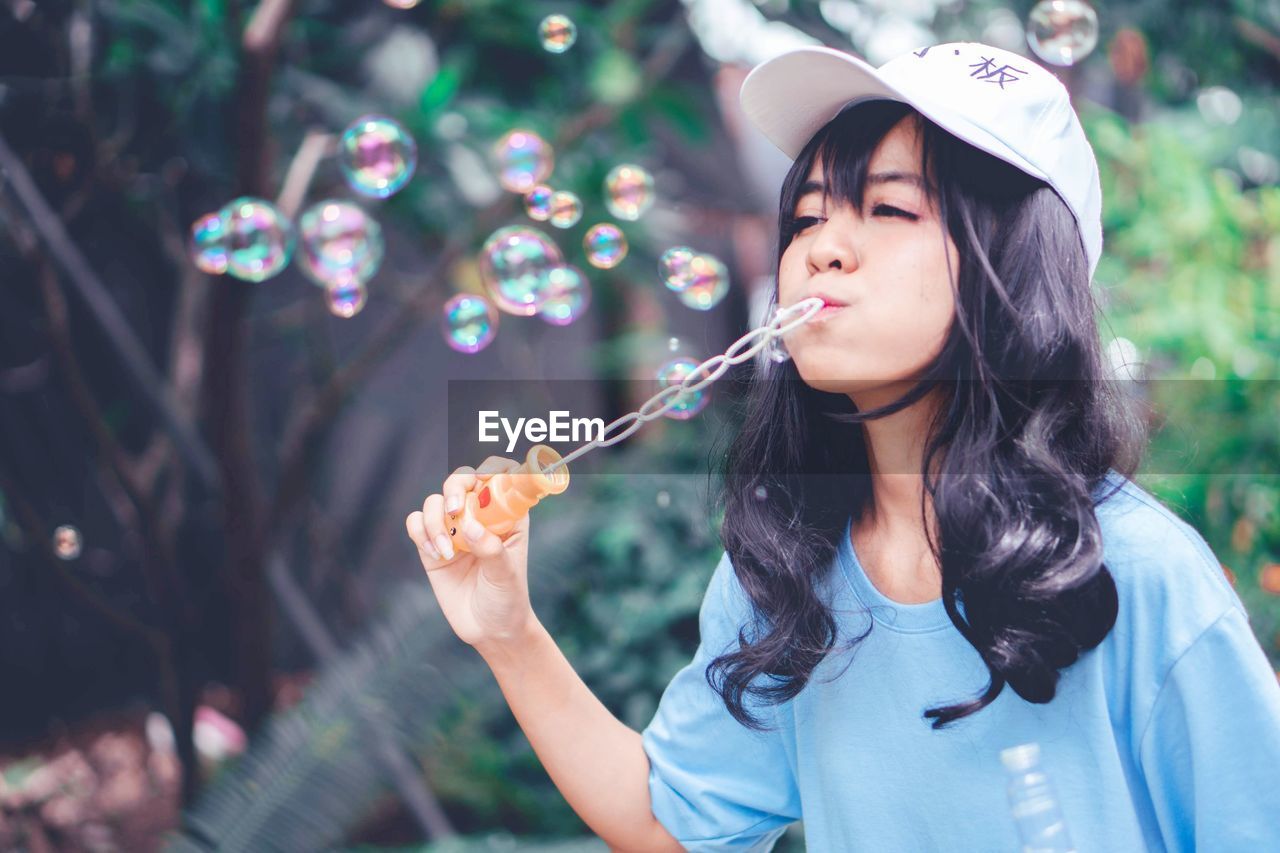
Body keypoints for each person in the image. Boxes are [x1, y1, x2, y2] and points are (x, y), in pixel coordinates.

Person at [405, 41, 1280, 852]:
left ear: (1013, 272)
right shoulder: (792, 565)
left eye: (891, 207)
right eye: (808, 216)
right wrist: (509, 632)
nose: (821, 248)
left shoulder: (1139, 575)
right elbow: (673, 819)